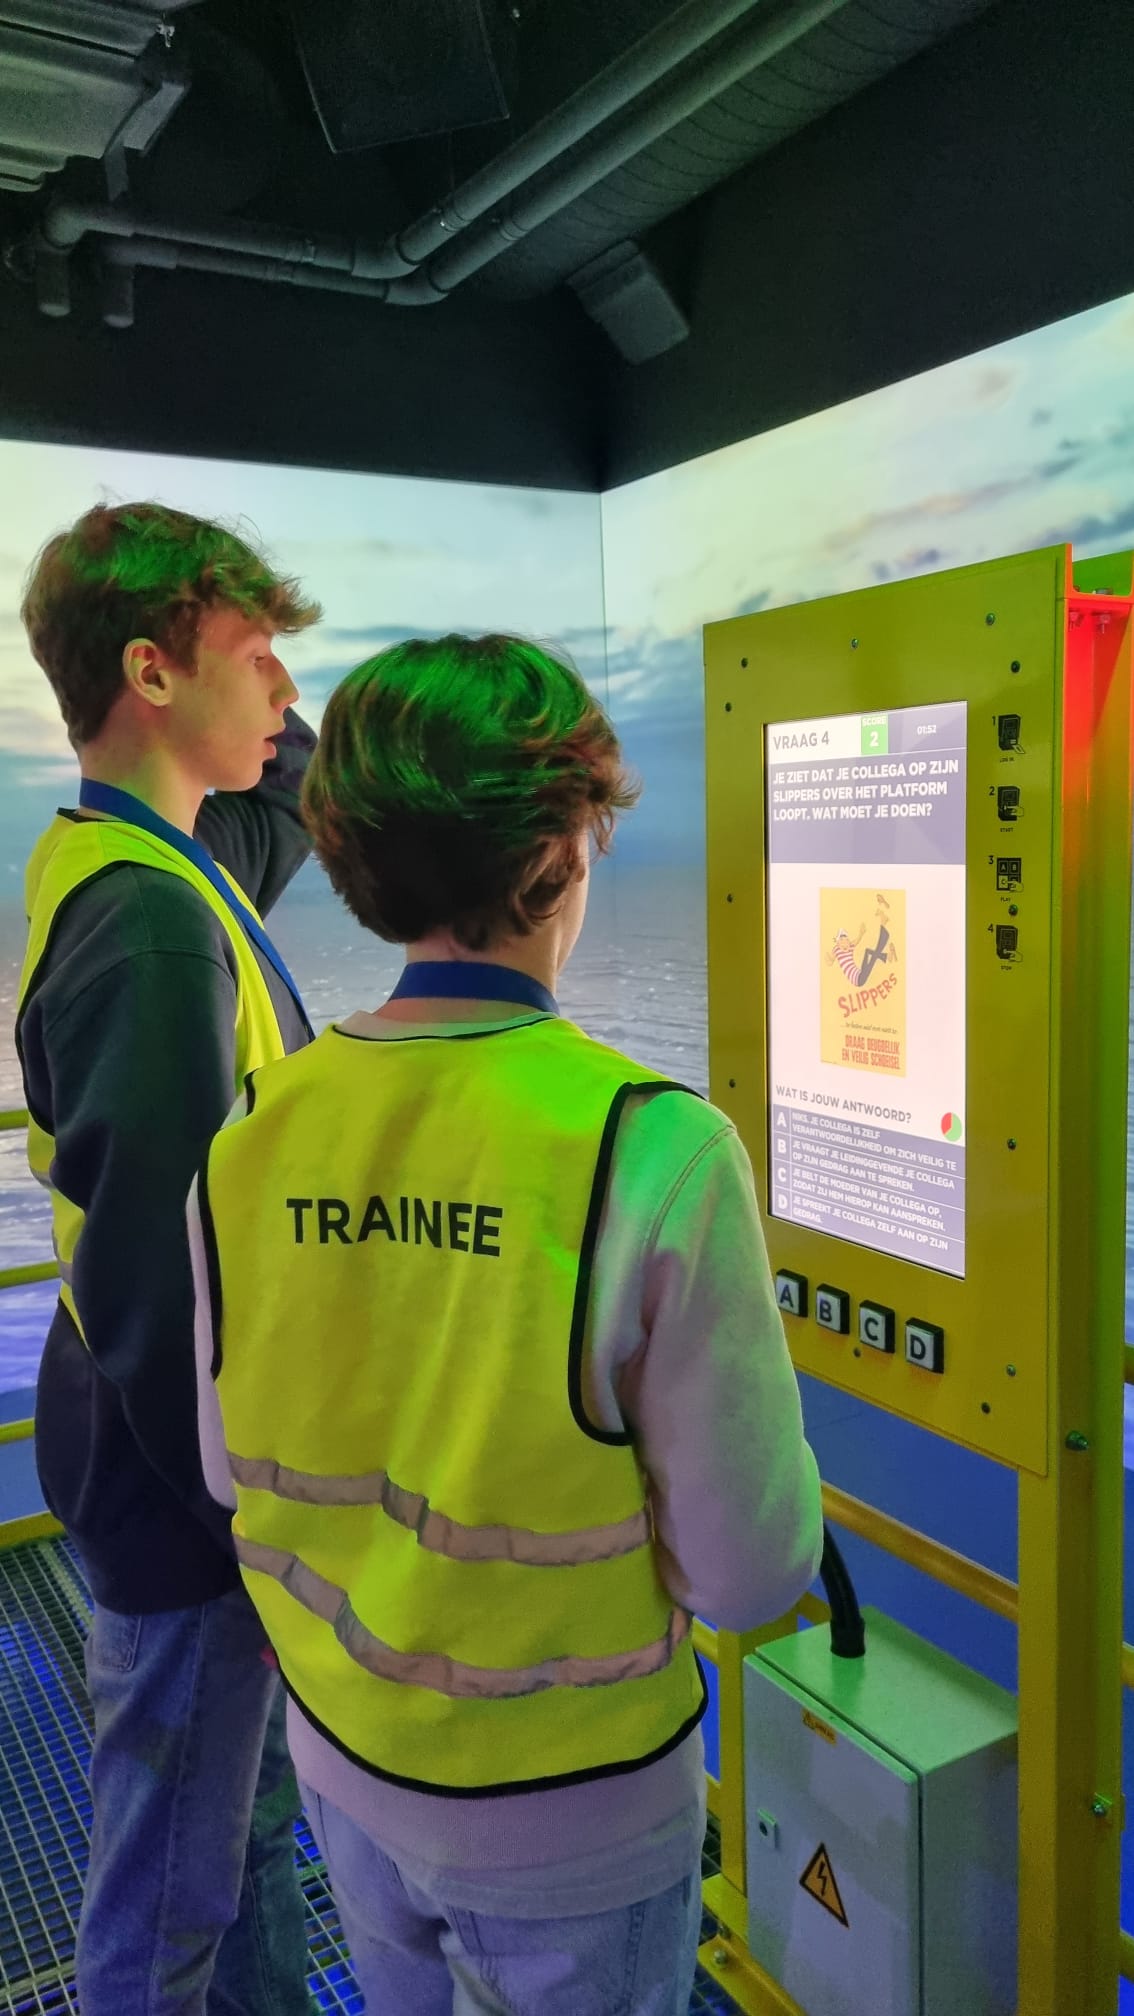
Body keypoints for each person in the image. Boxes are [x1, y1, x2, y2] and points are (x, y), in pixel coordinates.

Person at [190, 633, 823, 2016]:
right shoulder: (653, 1149)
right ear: (557, 852)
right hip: (574, 1813)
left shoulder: (251, 1129)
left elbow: (228, 1471)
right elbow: (750, 1573)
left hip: (346, 1762)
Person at [15, 502, 323, 2016]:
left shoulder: (146, 856)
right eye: (257, 656)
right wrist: (247, 1517)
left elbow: (291, 782)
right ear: (150, 671)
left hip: (148, 1436)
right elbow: (156, 1282)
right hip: (182, 1473)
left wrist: (252, 644)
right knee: (165, 1895)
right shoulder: (150, 928)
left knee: (236, 1832)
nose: (284, 690)